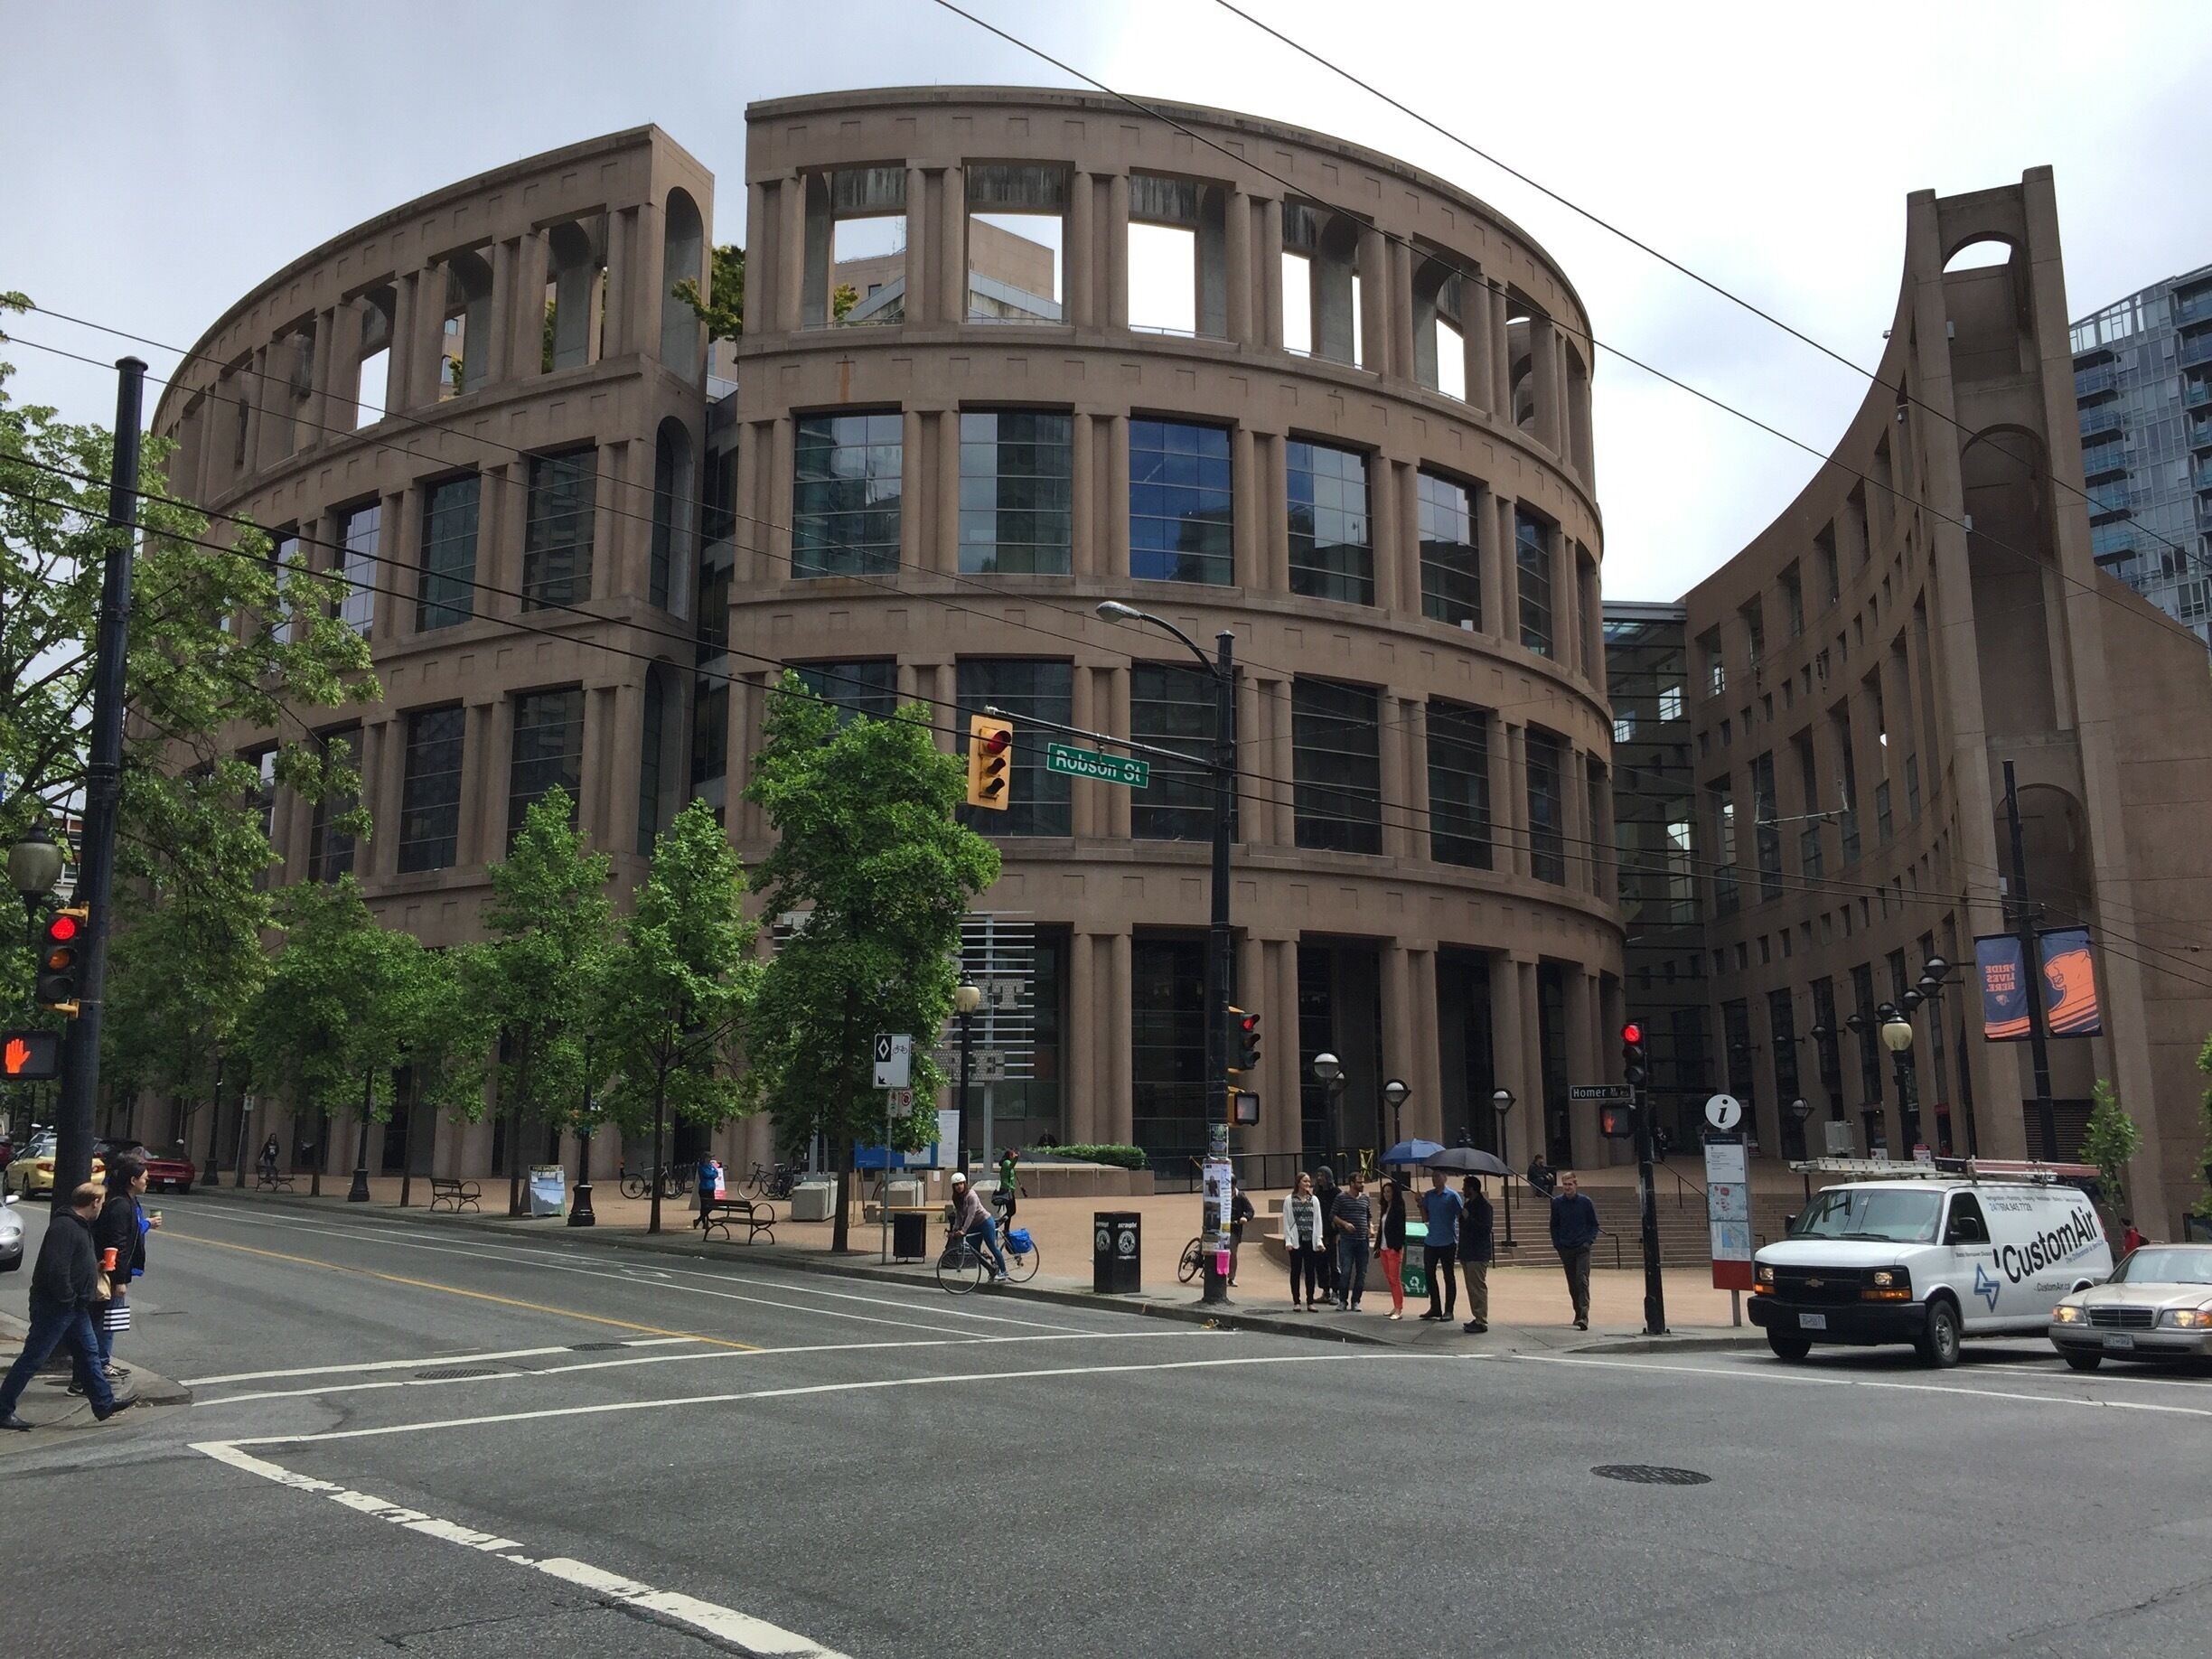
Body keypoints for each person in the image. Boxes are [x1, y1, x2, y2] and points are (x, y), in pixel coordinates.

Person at [0, 1183, 135, 1430]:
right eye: (102, 1202)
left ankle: (104, 1403)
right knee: (34, 1358)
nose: (102, 1206)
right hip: (57, 1307)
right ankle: (3, 1409)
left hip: (74, 1307)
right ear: (94, 1202)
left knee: (88, 1353)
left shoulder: (78, 1226)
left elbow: (70, 1265)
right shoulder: (65, 1227)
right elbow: (56, 1269)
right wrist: (68, 1298)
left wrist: (94, 1270)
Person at [89, 1157, 156, 1387]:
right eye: (145, 1179)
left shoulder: (127, 1201)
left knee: (109, 1319)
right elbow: (117, 1244)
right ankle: (100, 1362)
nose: (148, 1182)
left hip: (114, 1270)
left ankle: (100, 1361)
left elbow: (128, 1235)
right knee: (108, 1319)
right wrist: (119, 1279)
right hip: (111, 1273)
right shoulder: (120, 1204)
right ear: (133, 1180)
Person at [1550, 1168, 1600, 1330]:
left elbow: (1594, 1224)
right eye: (1564, 1185)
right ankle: (1578, 1313)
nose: (1567, 1188)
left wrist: (1589, 1241)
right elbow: (1554, 1225)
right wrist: (1557, 1243)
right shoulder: (1557, 1203)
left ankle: (1584, 1316)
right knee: (1572, 1284)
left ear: (1576, 1185)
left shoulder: (1585, 1202)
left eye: (1570, 1184)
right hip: (1566, 1247)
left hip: (1582, 1247)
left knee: (1582, 1280)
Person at [1418, 1167, 1464, 1323]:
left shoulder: (1452, 1196)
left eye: (1437, 1176)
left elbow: (1461, 1215)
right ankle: (1435, 1306)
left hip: (1448, 1242)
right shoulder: (1429, 1195)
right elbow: (1425, 1218)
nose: (1434, 1179)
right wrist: (1420, 1204)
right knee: (1429, 1275)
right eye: (1432, 1176)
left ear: (1445, 1178)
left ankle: (1449, 1310)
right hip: (1431, 1241)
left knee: (1448, 1276)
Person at [944, 1170, 1008, 1282]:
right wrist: (954, 1229)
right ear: (953, 1187)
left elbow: (971, 1215)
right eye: (956, 1185)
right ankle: (992, 1270)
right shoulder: (956, 1198)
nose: (959, 1187)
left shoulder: (971, 1195)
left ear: (965, 1184)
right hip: (973, 1226)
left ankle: (1003, 1271)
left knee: (992, 1246)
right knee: (974, 1252)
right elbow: (959, 1215)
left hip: (985, 1222)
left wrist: (964, 1230)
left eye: (961, 1184)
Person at [1331, 1169, 1373, 1311]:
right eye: (1359, 1182)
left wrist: (1370, 1227)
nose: (1362, 1184)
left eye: (1363, 1182)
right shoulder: (1341, 1198)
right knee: (1346, 1271)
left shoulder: (1365, 1199)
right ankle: (1343, 1300)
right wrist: (1345, 1224)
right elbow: (1332, 1215)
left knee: (1362, 1272)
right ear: (1351, 1183)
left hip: (1362, 1240)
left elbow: (1368, 1216)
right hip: (1347, 1240)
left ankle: (1356, 1301)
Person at [1282, 1173, 1326, 1310]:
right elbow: (1287, 1222)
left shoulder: (1314, 1200)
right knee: (1295, 1270)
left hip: (1310, 1239)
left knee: (1310, 1271)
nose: (1308, 1184)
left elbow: (1318, 1221)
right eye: (1305, 1181)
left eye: (1308, 1181)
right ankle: (1296, 1301)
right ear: (1298, 1183)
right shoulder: (1289, 1200)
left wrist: (1319, 1240)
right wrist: (1288, 1240)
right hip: (1296, 1240)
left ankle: (1310, 1301)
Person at [1460, 1175, 1494, 1334]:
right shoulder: (1468, 1204)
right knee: (1471, 1287)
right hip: (1467, 1251)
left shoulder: (1484, 1206)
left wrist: (1469, 1218)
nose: (1462, 1190)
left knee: (1478, 1287)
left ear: (1472, 1189)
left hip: (1478, 1253)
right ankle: (1476, 1316)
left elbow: (1485, 1229)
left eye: (1465, 1187)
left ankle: (1481, 1320)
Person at [1374, 1176, 1408, 1319]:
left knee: (1395, 1279)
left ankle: (1399, 1308)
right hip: (1383, 1248)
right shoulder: (1385, 1208)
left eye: (1389, 1191)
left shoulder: (1398, 1209)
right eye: (1385, 1192)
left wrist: (1396, 1246)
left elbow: (1401, 1230)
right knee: (1390, 1278)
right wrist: (1377, 1246)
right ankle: (1395, 1306)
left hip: (1393, 1248)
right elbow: (1381, 1229)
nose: (1386, 1194)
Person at [1310, 1165, 1340, 1304]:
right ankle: (1325, 1291)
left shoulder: (1337, 1193)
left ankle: (1336, 1292)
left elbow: (1340, 1212)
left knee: (1334, 1264)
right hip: (1319, 1234)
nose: (1320, 1178)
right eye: (1318, 1175)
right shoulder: (1316, 1194)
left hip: (1333, 1235)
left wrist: (1338, 1232)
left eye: (1323, 1175)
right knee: (1320, 1264)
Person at [1228, 1180, 1255, 1286]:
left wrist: (1245, 1218)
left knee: (1232, 1252)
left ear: (1234, 1185)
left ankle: (1231, 1277)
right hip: (1219, 1226)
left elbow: (1250, 1211)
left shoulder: (1240, 1197)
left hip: (1234, 1228)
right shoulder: (1220, 1194)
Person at [995, 1148, 1019, 1223]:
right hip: (1007, 1190)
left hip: (1010, 1190)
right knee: (1012, 1211)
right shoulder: (1006, 1163)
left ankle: (1006, 1229)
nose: (1014, 1155)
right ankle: (1001, 1221)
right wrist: (1016, 1158)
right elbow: (1011, 1166)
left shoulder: (1008, 1163)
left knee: (1010, 1211)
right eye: (1013, 1154)